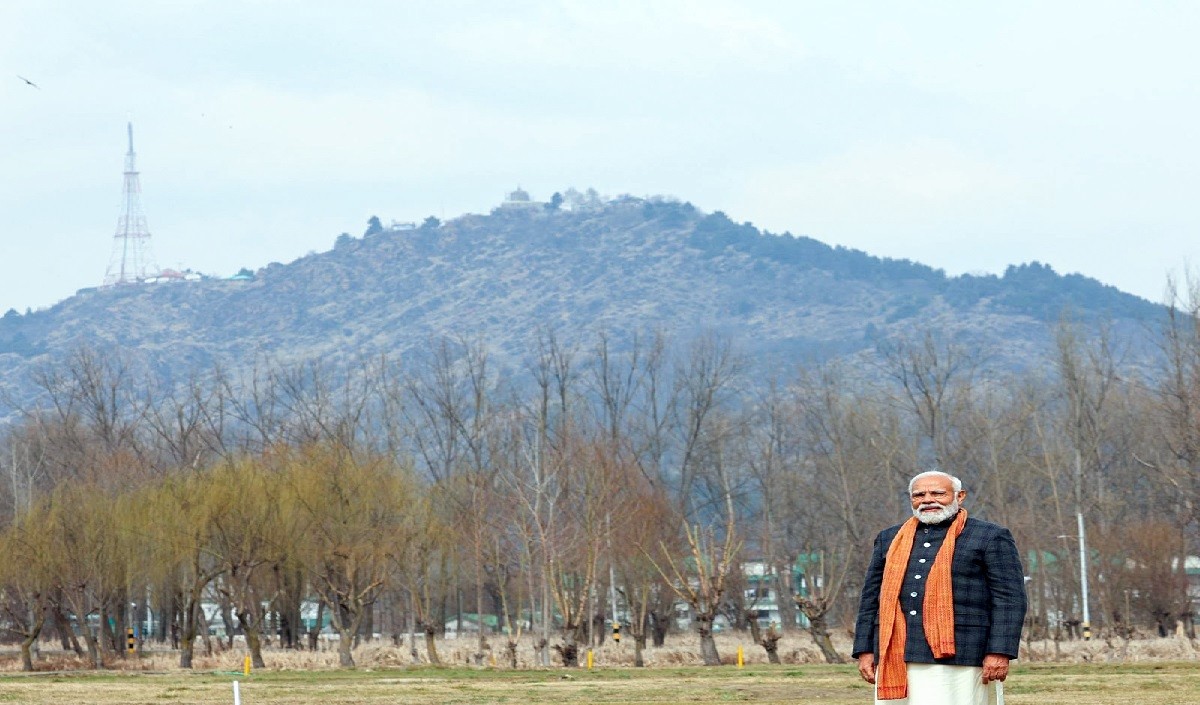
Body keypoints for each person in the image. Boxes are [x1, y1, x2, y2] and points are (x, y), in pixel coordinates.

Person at [852, 470, 1026, 704]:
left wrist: (999, 651)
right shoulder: (889, 538)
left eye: (937, 493)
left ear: (960, 496)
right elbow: (871, 599)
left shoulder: (990, 536)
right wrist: (865, 649)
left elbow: (1010, 599)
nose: (927, 500)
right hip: (895, 653)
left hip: (962, 652)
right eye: (919, 495)